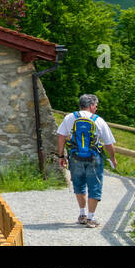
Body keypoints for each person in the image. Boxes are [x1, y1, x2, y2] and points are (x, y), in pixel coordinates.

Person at [56, 94, 119, 227]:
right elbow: (109, 143)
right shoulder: (98, 120)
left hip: (75, 157)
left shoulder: (69, 118)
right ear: (90, 106)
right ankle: (91, 218)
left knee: (79, 185)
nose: (96, 108)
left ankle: (82, 214)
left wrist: (61, 156)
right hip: (94, 157)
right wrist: (113, 159)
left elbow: (61, 137)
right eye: (95, 106)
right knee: (94, 186)